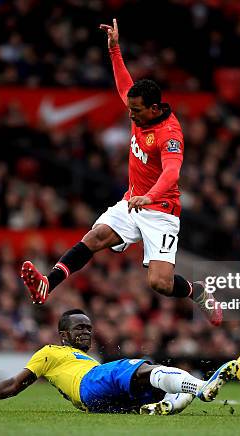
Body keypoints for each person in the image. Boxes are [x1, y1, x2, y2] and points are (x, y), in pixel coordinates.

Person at [20, 18, 222, 326]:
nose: (130, 115)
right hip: (133, 202)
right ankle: (48, 283)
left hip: (161, 211)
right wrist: (114, 48)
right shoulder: (139, 110)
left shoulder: (169, 134)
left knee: (160, 283)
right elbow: (124, 83)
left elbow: (172, 174)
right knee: (95, 236)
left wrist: (149, 196)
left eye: (136, 111)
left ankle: (197, 291)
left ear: (154, 108)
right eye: (130, 109)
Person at [0, 309, 237, 414]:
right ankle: (202, 386)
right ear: (63, 334)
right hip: (88, 387)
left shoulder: (88, 358)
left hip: (101, 402)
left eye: (89, 328)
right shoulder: (49, 352)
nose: (86, 331)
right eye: (80, 328)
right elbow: (14, 385)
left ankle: (169, 404)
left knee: (157, 380)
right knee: (141, 367)